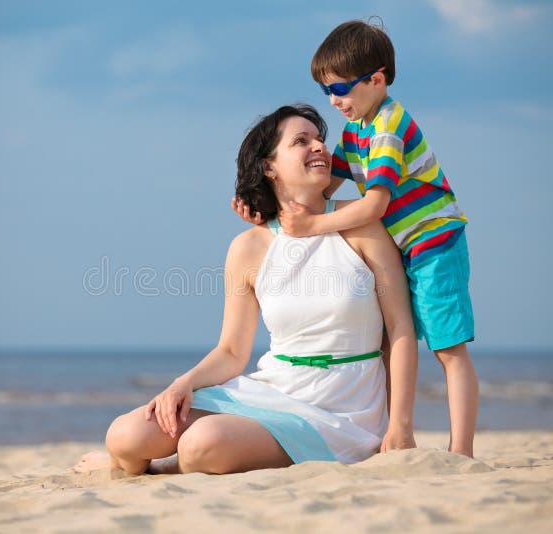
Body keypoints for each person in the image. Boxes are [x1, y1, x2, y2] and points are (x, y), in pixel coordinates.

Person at [74, 104, 417, 476]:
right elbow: (232, 351)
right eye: (301, 141)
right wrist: (182, 384)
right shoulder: (248, 248)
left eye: (320, 139)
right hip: (273, 388)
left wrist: (400, 425)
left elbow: (400, 329)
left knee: (200, 444)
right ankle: (132, 463)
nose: (318, 146)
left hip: (343, 412)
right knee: (125, 435)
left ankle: (159, 470)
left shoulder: (362, 224)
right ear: (269, 167)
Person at [233, 20, 478, 457]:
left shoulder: (387, 127)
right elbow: (324, 189)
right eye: (327, 90)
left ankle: (462, 452)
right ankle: (397, 431)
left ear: (377, 79)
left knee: (449, 350)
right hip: (406, 246)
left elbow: (374, 206)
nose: (333, 101)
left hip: (434, 244)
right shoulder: (356, 131)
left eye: (341, 89)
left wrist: (310, 227)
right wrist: (265, 210)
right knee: (387, 335)